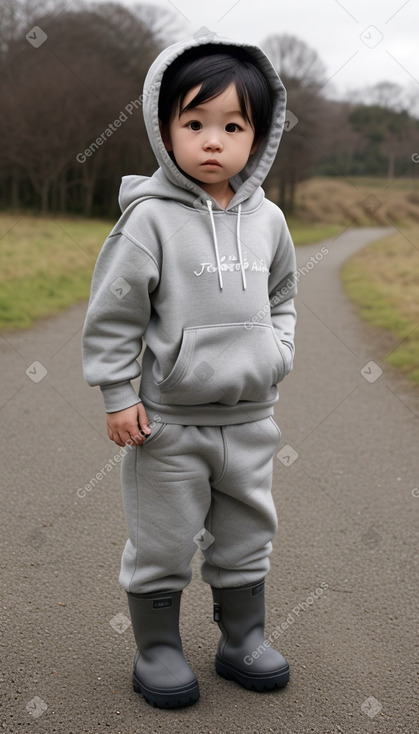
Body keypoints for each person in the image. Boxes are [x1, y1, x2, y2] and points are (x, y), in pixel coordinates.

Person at [82, 32, 297, 709]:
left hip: (250, 422)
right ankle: (158, 649)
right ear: (162, 127)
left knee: (245, 534)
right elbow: (113, 317)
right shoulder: (147, 221)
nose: (212, 141)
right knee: (164, 541)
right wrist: (118, 394)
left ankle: (241, 640)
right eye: (194, 123)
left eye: (232, 126)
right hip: (167, 426)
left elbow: (284, 297)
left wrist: (277, 351)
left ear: (256, 136)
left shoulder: (267, 220)